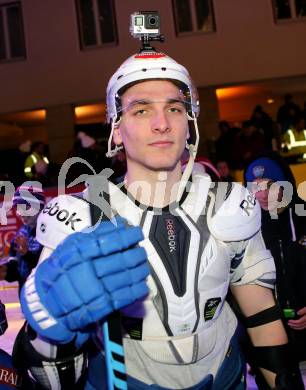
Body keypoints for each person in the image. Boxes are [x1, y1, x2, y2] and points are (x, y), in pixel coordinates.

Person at [18, 31, 303, 390]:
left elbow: (262, 318)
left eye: (174, 108)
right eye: (141, 110)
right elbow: (48, 375)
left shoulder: (231, 204)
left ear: (190, 122)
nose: (161, 123)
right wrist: (49, 331)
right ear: (117, 130)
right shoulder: (79, 218)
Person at [244, 155, 306, 367]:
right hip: (273, 339)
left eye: (268, 185)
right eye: (254, 187)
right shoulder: (246, 227)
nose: (261, 194)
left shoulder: (302, 214)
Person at [0, 184, 45, 293]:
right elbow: (17, 272)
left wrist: (27, 254)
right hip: (27, 296)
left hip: (46, 295)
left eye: (25, 206)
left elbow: (49, 267)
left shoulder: (50, 230)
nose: (20, 213)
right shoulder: (22, 232)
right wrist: (4, 271)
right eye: (17, 207)